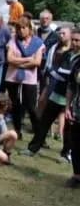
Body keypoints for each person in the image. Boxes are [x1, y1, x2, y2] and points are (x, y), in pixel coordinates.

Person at [21, 27, 80, 159]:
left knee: (68, 129)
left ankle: (66, 154)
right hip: (57, 93)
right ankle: (33, 148)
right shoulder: (67, 54)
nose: (75, 43)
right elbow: (57, 68)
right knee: (44, 122)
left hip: (72, 98)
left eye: (78, 40)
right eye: (74, 40)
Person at [4, 16, 44, 140]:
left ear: (29, 29)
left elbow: (37, 62)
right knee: (15, 105)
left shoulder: (38, 43)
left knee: (31, 107)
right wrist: (27, 59)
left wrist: (18, 63)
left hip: (29, 79)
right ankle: (17, 131)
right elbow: (9, 59)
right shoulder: (13, 41)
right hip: (12, 77)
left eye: (24, 28)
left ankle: (39, 135)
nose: (21, 30)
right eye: (19, 28)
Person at [63, 54, 80, 188]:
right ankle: (77, 175)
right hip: (77, 110)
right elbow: (71, 86)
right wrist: (67, 107)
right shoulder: (76, 61)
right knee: (75, 143)